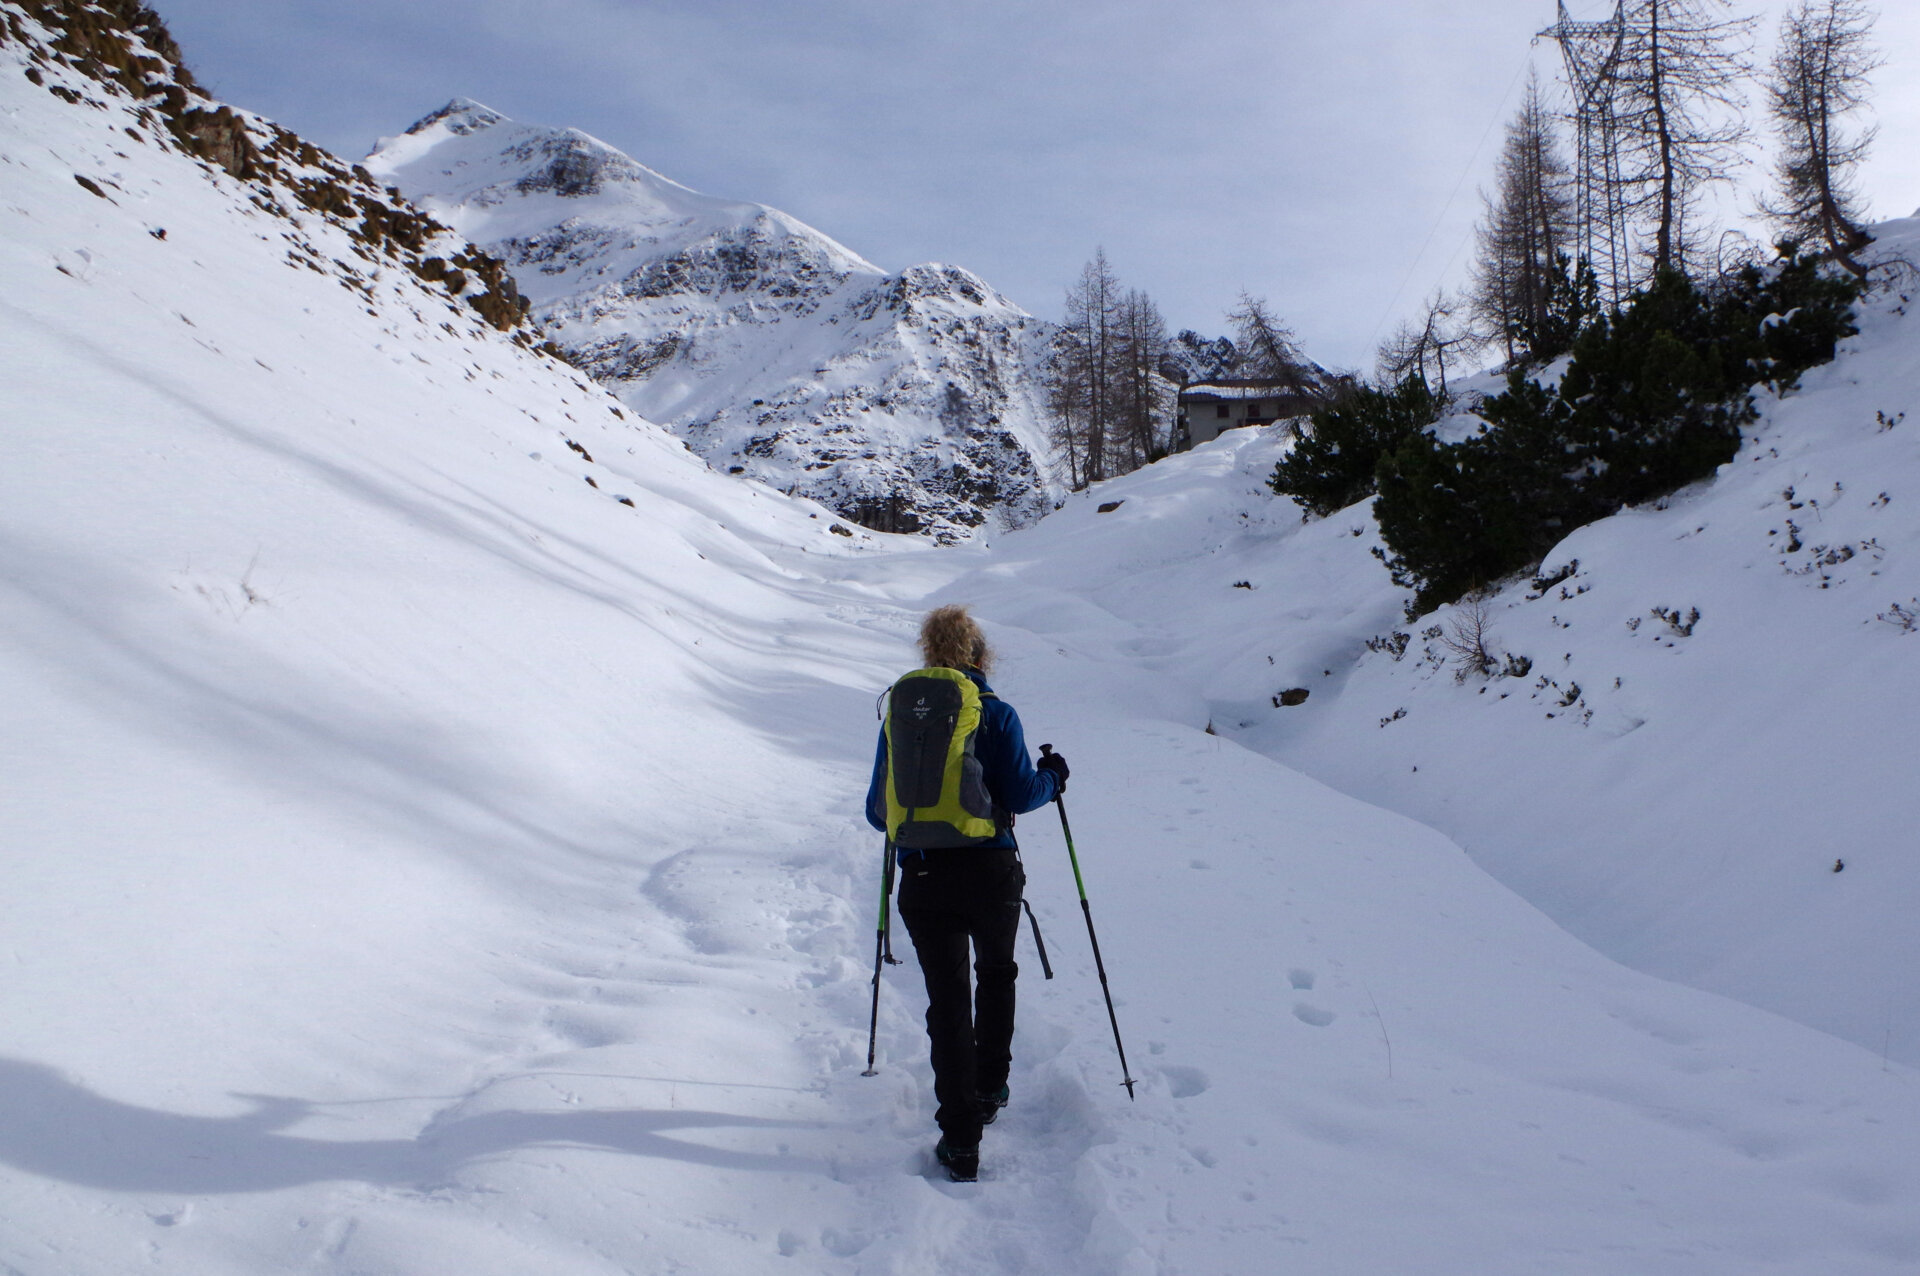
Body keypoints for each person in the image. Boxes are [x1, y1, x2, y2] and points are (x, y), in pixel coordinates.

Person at [865, 604, 1068, 1183]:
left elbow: (878, 814)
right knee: (997, 973)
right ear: (982, 656)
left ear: (928, 654)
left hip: (924, 874)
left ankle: (960, 1139)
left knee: (947, 1001)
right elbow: (1023, 793)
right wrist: (1055, 775)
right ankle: (989, 1088)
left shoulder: (901, 719)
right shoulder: (996, 713)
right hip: (991, 873)